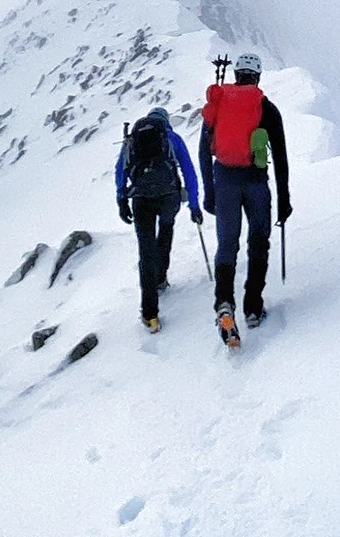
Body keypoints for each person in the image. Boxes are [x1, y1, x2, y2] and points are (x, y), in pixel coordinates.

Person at [199, 51, 291, 338]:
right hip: (256, 184)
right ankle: (253, 307)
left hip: (225, 180)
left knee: (227, 244)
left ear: (236, 74)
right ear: (258, 76)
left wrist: (209, 191)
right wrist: (284, 199)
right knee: (258, 241)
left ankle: (224, 305)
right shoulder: (267, 108)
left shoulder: (219, 104)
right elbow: (281, 156)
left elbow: (204, 150)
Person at [115, 104, 201, 332]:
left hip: (141, 198)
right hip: (168, 197)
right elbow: (189, 171)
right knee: (166, 229)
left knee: (146, 250)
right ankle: (161, 276)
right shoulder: (172, 138)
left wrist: (122, 199)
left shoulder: (131, 140)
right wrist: (193, 204)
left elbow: (120, 170)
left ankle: (150, 314)